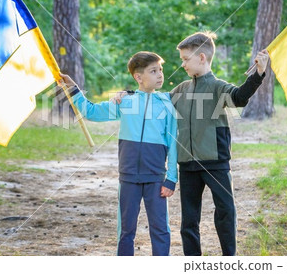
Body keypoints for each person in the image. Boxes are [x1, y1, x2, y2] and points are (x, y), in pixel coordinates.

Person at [111, 32, 269, 256]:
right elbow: (154, 97)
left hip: (215, 163)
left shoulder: (218, 87)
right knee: (189, 223)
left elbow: (240, 97)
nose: (182, 64)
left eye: (186, 59)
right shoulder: (181, 90)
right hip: (187, 165)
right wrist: (126, 94)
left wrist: (259, 73)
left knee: (225, 212)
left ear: (202, 58)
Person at [59, 51, 178, 256]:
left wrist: (171, 179)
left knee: (160, 229)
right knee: (126, 230)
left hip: (156, 178)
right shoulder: (126, 101)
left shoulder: (167, 104)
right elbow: (92, 112)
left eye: (161, 70)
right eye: (153, 71)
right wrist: (73, 90)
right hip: (129, 177)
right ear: (138, 77)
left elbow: (173, 143)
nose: (160, 75)